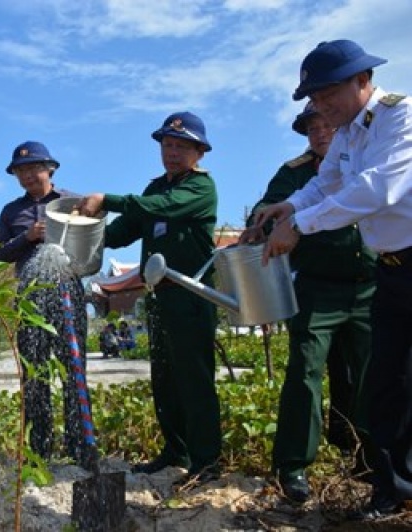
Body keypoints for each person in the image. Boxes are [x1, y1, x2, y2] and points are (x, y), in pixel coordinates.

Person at [257, 39, 412, 520]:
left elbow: (376, 189)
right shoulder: (348, 131)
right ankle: (395, 491)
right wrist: (292, 206)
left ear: (362, 81)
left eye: (328, 96)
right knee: (385, 384)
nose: (321, 108)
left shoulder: (399, 117)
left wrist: (300, 225)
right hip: (390, 271)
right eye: (315, 100)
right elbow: (329, 182)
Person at [241, 102, 375, 503]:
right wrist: (270, 228)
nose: (321, 133)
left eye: (326, 124)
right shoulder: (294, 172)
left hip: (369, 282)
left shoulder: (364, 159)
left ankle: (369, 459)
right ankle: (293, 466)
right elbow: (267, 217)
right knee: (305, 371)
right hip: (316, 287)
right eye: (312, 127)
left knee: (372, 375)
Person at [77, 112, 221, 483]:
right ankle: (176, 451)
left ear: (199, 152)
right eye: (167, 145)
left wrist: (106, 198)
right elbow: (123, 231)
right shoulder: (155, 187)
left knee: (195, 380)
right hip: (158, 297)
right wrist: (81, 234)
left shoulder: (200, 188)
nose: (172, 152)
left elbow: (162, 208)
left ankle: (206, 461)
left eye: (182, 146)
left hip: (190, 295)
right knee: (165, 379)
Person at [0, 141, 90, 464]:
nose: (28, 176)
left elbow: (92, 248)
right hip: (31, 297)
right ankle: (40, 450)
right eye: (21, 171)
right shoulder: (11, 211)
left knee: (74, 369)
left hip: (68, 294)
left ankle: (79, 448)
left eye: (34, 168)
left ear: (50, 169)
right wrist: (28, 238)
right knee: (34, 374)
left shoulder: (71, 202)